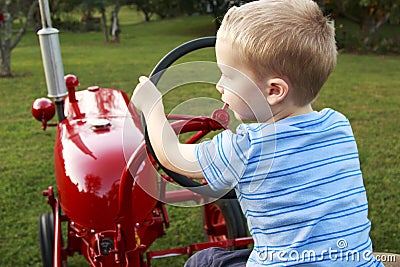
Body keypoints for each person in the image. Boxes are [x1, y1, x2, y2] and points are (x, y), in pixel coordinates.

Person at [132, 0, 383, 266]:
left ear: (274, 91)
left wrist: (153, 109)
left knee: (204, 261)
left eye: (227, 77)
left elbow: (171, 157)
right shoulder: (339, 126)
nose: (218, 85)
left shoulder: (249, 148)